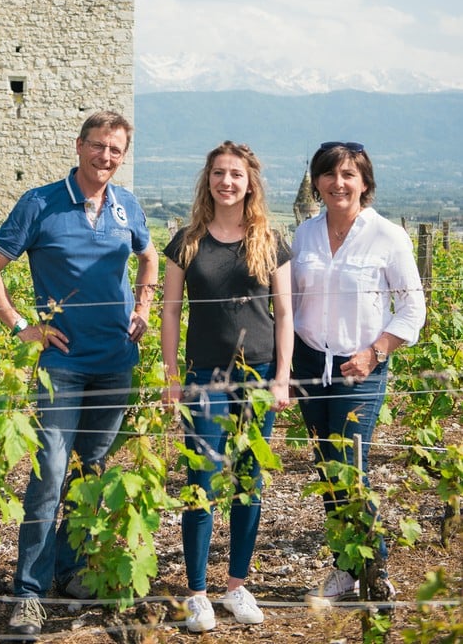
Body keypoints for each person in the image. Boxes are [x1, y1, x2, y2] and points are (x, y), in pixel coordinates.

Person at [0, 111, 159, 641]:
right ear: (79, 146)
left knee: (90, 469)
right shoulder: (40, 203)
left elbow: (149, 259)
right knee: (50, 473)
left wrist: (143, 307)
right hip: (63, 366)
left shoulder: (127, 206)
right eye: (98, 146)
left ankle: (70, 569)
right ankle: (28, 592)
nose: (106, 157)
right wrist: (20, 326)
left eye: (116, 150)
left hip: (116, 362)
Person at [161, 141, 293, 632]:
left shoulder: (271, 241)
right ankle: (197, 593)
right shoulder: (187, 242)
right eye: (219, 173)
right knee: (201, 482)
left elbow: (285, 315)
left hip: (258, 376)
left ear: (249, 182)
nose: (227, 182)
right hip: (204, 378)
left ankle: (237, 585)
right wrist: (171, 377)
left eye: (236, 174)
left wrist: (282, 377)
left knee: (248, 482)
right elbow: (170, 314)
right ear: (208, 180)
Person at [291, 141, 426, 604]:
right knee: (326, 468)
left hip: (360, 368)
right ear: (317, 182)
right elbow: (291, 302)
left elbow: (413, 309)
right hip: (310, 363)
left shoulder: (388, 236)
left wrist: (376, 351)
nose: (338, 183)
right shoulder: (305, 234)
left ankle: (375, 568)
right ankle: (345, 569)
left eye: (348, 174)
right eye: (329, 174)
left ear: (364, 183)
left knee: (350, 468)